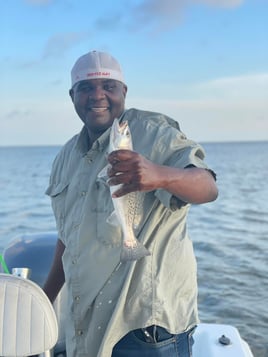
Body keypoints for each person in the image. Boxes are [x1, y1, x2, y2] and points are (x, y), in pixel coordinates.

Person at [44, 50, 218, 357]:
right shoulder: (65, 157)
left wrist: (161, 175)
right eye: (86, 87)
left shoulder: (153, 132)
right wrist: (46, 298)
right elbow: (67, 236)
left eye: (108, 87)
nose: (97, 95)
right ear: (73, 96)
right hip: (85, 324)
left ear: (123, 91)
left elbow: (208, 187)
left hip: (145, 330)